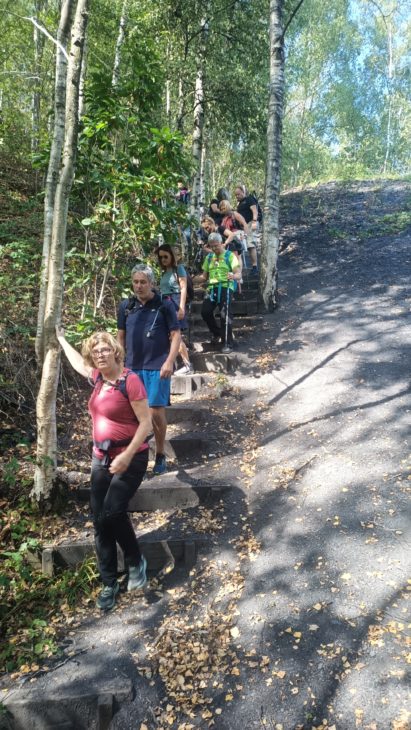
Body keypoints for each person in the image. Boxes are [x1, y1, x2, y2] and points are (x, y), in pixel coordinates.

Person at [55, 328, 152, 612]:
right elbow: (78, 363)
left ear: (115, 352)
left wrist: (127, 456)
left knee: (113, 511)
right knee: (100, 521)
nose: (100, 354)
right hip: (100, 458)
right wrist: (61, 339)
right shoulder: (97, 377)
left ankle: (135, 561)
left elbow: (146, 423)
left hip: (131, 457)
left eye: (105, 349)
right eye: (96, 351)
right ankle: (109, 583)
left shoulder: (129, 381)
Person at [117, 264, 181, 475]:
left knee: (155, 413)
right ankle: (138, 457)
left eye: (143, 282)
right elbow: (120, 337)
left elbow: (176, 335)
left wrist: (169, 361)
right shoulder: (126, 306)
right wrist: (119, 364)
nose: (139, 286)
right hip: (132, 368)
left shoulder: (164, 304)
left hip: (157, 367)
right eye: (135, 282)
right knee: (133, 415)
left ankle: (160, 454)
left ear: (151, 283)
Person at [198, 232, 241, 353]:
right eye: (211, 246)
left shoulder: (229, 256)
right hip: (212, 288)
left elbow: (238, 274)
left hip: (226, 287)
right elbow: (204, 277)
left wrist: (233, 276)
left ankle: (228, 343)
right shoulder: (209, 257)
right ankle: (217, 333)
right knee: (205, 312)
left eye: (216, 245)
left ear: (221, 243)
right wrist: (189, 280)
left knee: (225, 314)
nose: (214, 248)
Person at [156, 243, 193, 375]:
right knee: (169, 334)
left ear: (172, 255)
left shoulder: (179, 269)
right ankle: (176, 364)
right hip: (165, 302)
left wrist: (181, 307)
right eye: (161, 257)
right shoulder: (164, 272)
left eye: (165, 256)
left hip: (175, 301)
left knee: (176, 334)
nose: (163, 260)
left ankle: (187, 365)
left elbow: (183, 288)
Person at [234, 184, 260, 273]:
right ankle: (253, 266)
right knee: (247, 245)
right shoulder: (240, 203)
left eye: (238, 194)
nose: (237, 196)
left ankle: (255, 267)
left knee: (250, 244)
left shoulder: (249, 199)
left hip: (251, 223)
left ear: (243, 192)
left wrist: (254, 221)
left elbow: (254, 210)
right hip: (244, 226)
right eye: (236, 195)